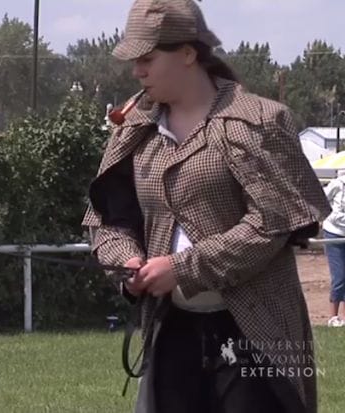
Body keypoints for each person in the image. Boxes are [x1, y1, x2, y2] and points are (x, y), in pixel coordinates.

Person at [82, 0, 330, 412]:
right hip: (171, 328)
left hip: (258, 329)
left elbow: (272, 224)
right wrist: (126, 264)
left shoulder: (260, 121)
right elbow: (110, 220)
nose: (136, 71)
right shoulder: (135, 129)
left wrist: (182, 268)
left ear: (187, 53)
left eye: (147, 58)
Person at [322, 170, 345, 327]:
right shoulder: (337, 184)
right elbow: (321, 199)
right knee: (339, 277)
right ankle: (332, 317)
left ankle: (343, 317)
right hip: (334, 234)